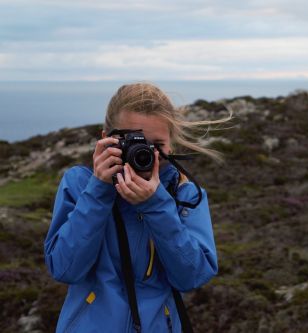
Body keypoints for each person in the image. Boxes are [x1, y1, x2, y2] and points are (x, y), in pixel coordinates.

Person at [44, 82, 229, 332]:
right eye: (131, 140)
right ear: (105, 138)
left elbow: (192, 276)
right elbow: (64, 268)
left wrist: (156, 206)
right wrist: (99, 191)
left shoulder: (185, 195)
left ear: (171, 146)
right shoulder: (79, 184)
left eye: (157, 145)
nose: (144, 152)